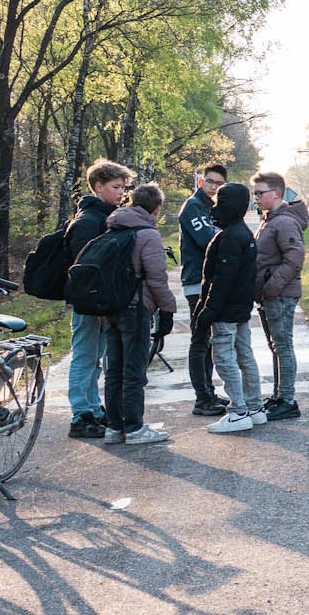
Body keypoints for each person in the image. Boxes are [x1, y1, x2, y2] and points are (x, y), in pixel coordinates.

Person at [102, 183, 178, 444]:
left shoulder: (112, 226)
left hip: (110, 306)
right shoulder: (148, 234)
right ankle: (134, 428)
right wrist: (167, 309)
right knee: (134, 370)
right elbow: (157, 278)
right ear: (156, 210)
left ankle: (114, 427)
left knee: (114, 370)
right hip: (135, 309)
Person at [64, 160, 133, 439]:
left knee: (95, 357)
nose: (121, 193)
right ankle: (80, 415)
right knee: (84, 356)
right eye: (116, 187)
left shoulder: (105, 217)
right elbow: (84, 271)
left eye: (123, 188)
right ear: (98, 186)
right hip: (89, 304)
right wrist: (97, 306)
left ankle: (93, 408)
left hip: (101, 303)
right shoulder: (88, 221)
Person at [201, 182, 265, 434]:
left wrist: (208, 310)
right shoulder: (243, 233)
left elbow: (222, 279)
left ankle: (238, 411)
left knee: (224, 357)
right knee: (244, 355)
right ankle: (254, 406)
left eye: (220, 203)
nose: (215, 208)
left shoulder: (230, 236)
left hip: (226, 310)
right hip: (240, 308)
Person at [253, 171, 309, 420]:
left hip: (280, 295)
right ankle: (279, 397)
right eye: (255, 193)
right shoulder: (269, 219)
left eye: (260, 193)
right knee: (276, 346)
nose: (256, 197)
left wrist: (272, 287)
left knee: (283, 346)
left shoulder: (284, 222)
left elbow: (295, 256)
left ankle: (287, 400)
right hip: (269, 295)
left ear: (276, 193)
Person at [178, 162, 228, 416]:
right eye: (210, 182)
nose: (214, 187)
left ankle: (209, 391)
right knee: (199, 341)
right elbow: (207, 238)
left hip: (209, 282)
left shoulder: (211, 207)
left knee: (207, 342)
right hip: (196, 282)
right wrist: (225, 234)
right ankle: (202, 398)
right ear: (201, 181)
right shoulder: (193, 206)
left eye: (219, 184)